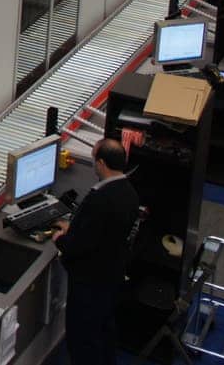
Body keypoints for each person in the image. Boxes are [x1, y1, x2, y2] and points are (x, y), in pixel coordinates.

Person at [51, 138, 141, 365]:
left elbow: (81, 245)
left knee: (82, 338)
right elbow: (103, 231)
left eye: (93, 160)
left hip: (89, 281)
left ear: (101, 163)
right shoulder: (129, 193)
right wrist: (78, 228)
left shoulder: (100, 199)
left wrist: (60, 239)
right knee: (104, 332)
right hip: (110, 276)